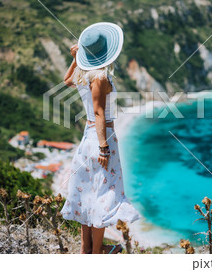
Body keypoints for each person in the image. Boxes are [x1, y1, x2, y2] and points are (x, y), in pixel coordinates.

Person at [61, 22, 141, 254]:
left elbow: (67, 80)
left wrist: (76, 60)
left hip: (88, 138)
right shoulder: (100, 78)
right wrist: (104, 147)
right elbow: (98, 113)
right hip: (101, 138)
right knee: (103, 196)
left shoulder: (85, 75)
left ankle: (88, 249)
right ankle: (97, 252)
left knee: (89, 192)